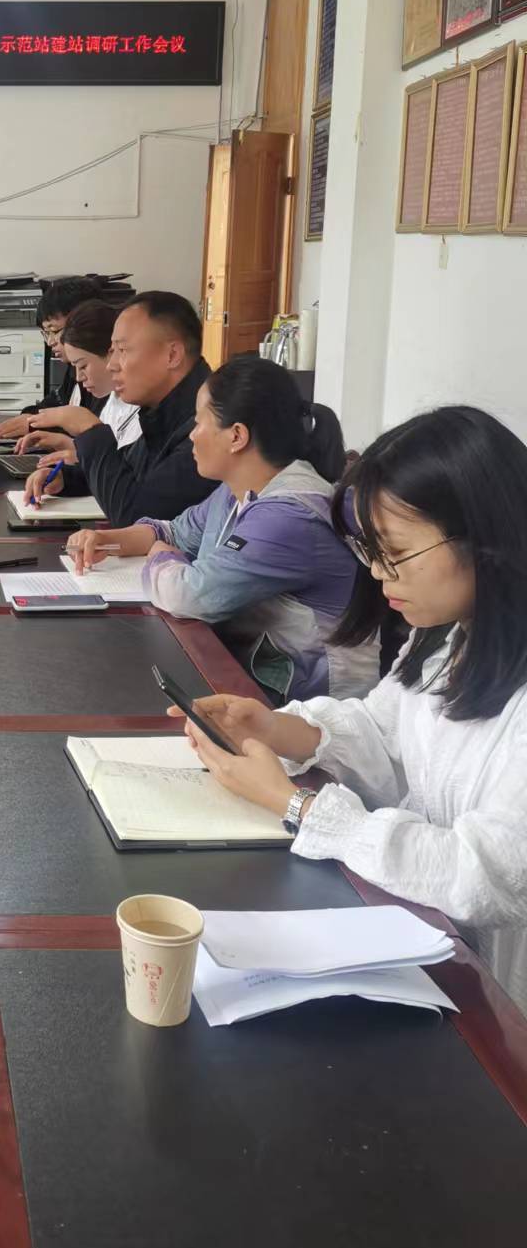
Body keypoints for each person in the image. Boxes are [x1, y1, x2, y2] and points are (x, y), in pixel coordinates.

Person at [179, 405, 527, 1014]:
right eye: (370, 549)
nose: (377, 573)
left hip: (501, 1002)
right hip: (436, 945)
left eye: (395, 551)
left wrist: (299, 806)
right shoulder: (448, 635)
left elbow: (484, 875)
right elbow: (385, 731)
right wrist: (278, 728)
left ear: (486, 538)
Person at [66, 355, 377, 700]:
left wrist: (159, 555)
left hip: (312, 702)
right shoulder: (236, 491)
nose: (191, 435)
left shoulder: (289, 516)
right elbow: (175, 532)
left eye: (199, 423)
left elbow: (190, 595)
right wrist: (109, 540)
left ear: (237, 436)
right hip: (254, 670)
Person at [24, 290, 214, 526]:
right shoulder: (161, 410)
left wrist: (90, 429)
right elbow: (130, 471)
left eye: (122, 350)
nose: (112, 365)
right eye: (112, 351)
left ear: (172, 355)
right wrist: (66, 480)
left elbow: (137, 517)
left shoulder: (210, 424)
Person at [0, 275, 134, 441]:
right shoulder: (76, 370)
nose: (50, 342)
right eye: (46, 333)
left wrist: (45, 425)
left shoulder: (109, 385)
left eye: (54, 331)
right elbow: (57, 403)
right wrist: (31, 418)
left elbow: (90, 431)